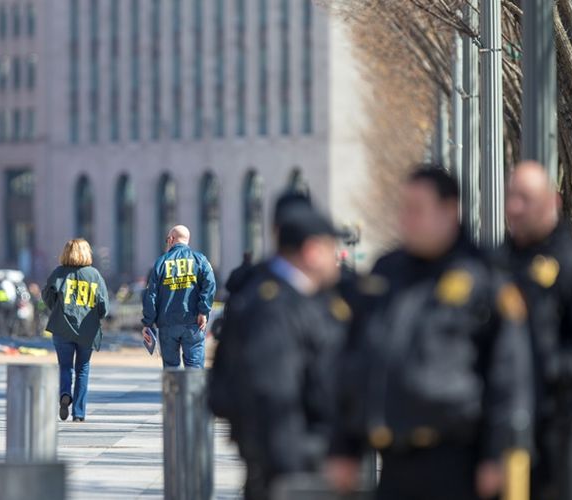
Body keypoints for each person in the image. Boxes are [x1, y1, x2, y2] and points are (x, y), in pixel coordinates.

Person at [327, 166, 532, 500]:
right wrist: (344, 446)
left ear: (449, 210)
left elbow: (509, 376)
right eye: (404, 209)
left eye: (417, 210)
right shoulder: (386, 273)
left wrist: (498, 454)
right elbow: (356, 360)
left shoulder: (483, 277)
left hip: (456, 460)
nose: (406, 220)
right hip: (393, 459)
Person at [210, 204, 350, 500]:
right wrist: (294, 468)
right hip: (291, 468)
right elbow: (275, 397)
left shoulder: (295, 296)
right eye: (330, 248)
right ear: (312, 251)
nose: (335, 258)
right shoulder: (275, 307)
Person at [495, 161, 572, 500]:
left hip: (559, 431)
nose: (515, 207)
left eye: (526, 198)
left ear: (553, 202)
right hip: (501, 433)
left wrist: (548, 367)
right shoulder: (495, 264)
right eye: (511, 197)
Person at [42, 238, 109, 422]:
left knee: (65, 366)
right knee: (83, 369)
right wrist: (96, 315)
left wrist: (56, 307)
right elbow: (104, 305)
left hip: (62, 327)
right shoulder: (94, 275)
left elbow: (47, 295)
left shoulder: (59, 273)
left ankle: (65, 394)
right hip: (87, 330)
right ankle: (79, 413)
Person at [142, 225, 216, 369]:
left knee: (171, 369)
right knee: (194, 367)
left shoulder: (161, 263)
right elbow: (210, 284)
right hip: (194, 322)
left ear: (170, 239)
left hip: (167, 323)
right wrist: (203, 311)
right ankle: (193, 393)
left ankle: (173, 392)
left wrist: (148, 323)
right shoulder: (200, 259)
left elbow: (151, 295)